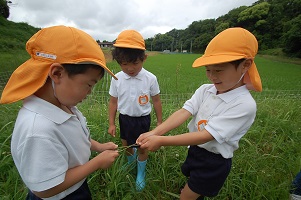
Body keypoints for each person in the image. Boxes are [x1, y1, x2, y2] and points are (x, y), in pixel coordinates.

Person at [137, 27, 262, 200]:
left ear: (245, 65)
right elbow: (184, 112)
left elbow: (206, 136)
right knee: (192, 185)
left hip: (214, 162)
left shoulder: (244, 105)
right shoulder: (206, 90)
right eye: (208, 70)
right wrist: (154, 132)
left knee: (186, 196)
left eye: (218, 70)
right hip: (195, 149)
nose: (212, 76)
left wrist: (162, 141)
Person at [0, 25, 120, 200]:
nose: (89, 92)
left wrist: (99, 147)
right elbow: (45, 189)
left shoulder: (63, 105)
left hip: (75, 184)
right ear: (57, 73)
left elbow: (75, 138)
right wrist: (96, 163)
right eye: (88, 85)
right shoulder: (38, 130)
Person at [108, 29, 162, 191]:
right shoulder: (116, 78)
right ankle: (130, 165)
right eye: (124, 64)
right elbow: (112, 102)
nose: (130, 68)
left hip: (142, 119)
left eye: (135, 63)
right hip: (124, 118)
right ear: (118, 62)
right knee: (126, 145)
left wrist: (160, 122)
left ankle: (141, 173)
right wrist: (111, 123)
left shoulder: (150, 78)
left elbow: (157, 100)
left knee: (142, 147)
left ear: (143, 58)